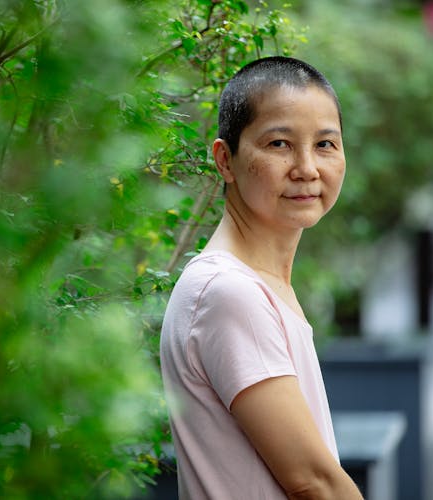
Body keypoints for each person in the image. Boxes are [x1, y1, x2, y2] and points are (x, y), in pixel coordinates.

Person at [159, 56, 363, 499]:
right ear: (225, 159)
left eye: (325, 144)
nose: (307, 168)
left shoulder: (257, 284)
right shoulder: (229, 293)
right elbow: (314, 483)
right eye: (279, 144)